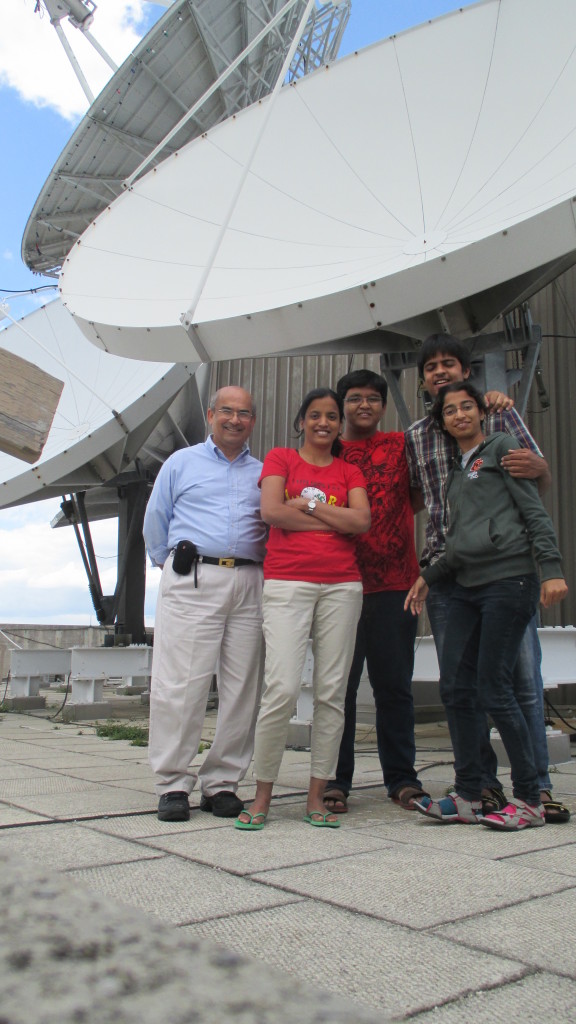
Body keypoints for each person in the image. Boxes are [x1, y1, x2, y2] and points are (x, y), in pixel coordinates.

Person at [404, 334, 571, 825]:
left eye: (449, 363)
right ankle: (478, 789)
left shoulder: (499, 418)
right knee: (459, 687)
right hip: (448, 569)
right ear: (422, 380)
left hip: (502, 572)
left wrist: (551, 566)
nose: (440, 371)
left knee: (514, 683)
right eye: (431, 366)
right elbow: (424, 501)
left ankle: (535, 792)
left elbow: (535, 480)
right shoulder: (417, 435)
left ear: (467, 373)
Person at [235, 388, 370, 831]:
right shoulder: (280, 459)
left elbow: (361, 522)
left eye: (332, 416)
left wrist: (308, 504)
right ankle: (263, 793)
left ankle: (316, 794)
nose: (324, 423)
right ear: (301, 421)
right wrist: (334, 517)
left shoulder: (350, 470)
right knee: (283, 688)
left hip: (342, 587)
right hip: (288, 582)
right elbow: (273, 512)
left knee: (332, 692)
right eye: (315, 415)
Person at [143, 386, 266, 822]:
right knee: (181, 684)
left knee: (242, 688)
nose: (235, 419)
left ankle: (222, 783)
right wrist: (171, 566)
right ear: (211, 414)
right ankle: (173, 783)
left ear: (253, 419)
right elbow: (155, 522)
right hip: (193, 578)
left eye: (244, 413)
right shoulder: (181, 462)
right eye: (226, 411)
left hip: (251, 579)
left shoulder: (264, 472)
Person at [322, 369, 428, 815]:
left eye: (372, 399)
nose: (363, 405)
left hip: (396, 585)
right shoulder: (327, 451)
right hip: (340, 584)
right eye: (354, 398)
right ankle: (334, 779)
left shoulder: (402, 446)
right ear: (342, 405)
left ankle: (402, 779)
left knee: (394, 688)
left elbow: (422, 495)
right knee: (338, 689)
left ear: (383, 406)